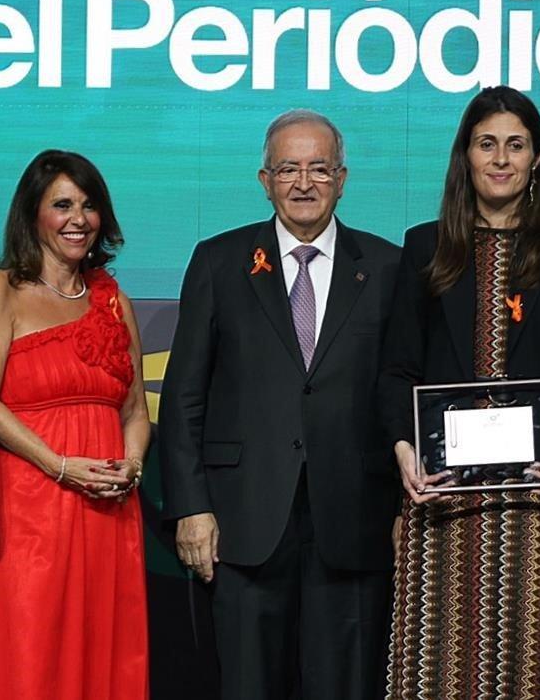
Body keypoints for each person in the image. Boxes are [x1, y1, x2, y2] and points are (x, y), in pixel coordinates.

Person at [158, 110, 402, 700]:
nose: (303, 182)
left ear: (342, 178)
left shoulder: (391, 267)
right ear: (264, 180)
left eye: (319, 168)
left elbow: (402, 395)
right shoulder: (218, 262)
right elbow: (184, 395)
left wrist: (403, 509)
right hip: (243, 522)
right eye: (288, 168)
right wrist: (191, 507)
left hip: (353, 520)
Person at [376, 85, 540, 700]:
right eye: (487, 144)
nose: (501, 158)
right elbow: (396, 370)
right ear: (466, 156)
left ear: (537, 158)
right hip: (442, 496)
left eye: (515, 144)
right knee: (439, 670)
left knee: (532, 670)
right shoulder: (425, 246)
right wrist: (405, 453)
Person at [0, 150, 150, 699]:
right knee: (29, 651)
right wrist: (59, 466)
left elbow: (134, 409)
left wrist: (130, 466)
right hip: (29, 507)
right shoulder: (0, 291)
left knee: (103, 650)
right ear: (33, 214)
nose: (77, 219)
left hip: (108, 510)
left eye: (89, 206)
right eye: (62, 204)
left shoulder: (114, 302)